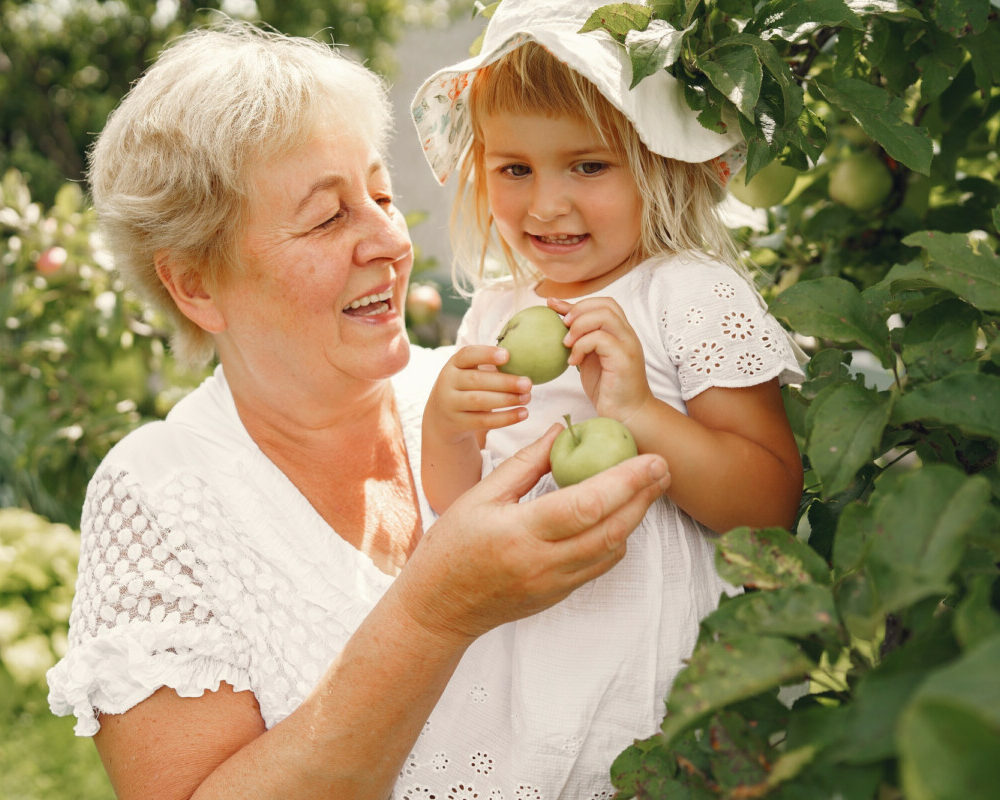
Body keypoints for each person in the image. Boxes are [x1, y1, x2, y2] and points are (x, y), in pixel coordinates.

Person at [44, 20, 673, 800]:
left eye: (381, 194)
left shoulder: (495, 399)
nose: (390, 240)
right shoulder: (159, 495)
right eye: (327, 217)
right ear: (197, 285)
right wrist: (435, 613)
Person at [410, 0, 806, 793]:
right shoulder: (496, 311)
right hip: (520, 640)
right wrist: (447, 429)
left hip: (651, 652)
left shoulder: (687, 294)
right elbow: (459, 507)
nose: (545, 204)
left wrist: (639, 414)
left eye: (587, 166)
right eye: (514, 168)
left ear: (660, 160)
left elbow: (768, 504)